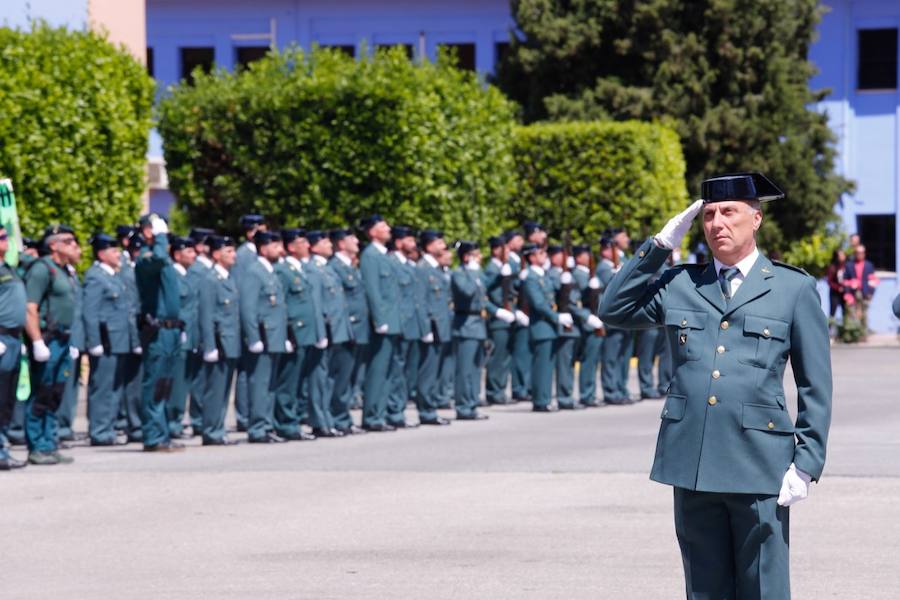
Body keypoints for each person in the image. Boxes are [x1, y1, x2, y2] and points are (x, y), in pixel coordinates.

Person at [599, 172, 832, 599]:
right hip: (693, 460)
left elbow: (815, 384)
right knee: (703, 588)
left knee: (763, 586)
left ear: (756, 219)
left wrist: (807, 461)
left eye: (729, 212)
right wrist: (659, 246)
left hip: (759, 464)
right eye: (708, 215)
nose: (717, 223)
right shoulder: (682, 283)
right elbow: (613, 309)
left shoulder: (792, 288)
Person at [23, 224, 82, 464]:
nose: (74, 245)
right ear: (53, 244)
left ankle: (49, 442)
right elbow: (30, 308)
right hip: (48, 339)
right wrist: (37, 341)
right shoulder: (41, 270)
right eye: (68, 241)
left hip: (64, 339)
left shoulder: (64, 271)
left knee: (55, 393)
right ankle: (37, 445)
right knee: (42, 392)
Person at [134, 214, 185, 452]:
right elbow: (160, 257)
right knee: (154, 382)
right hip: (158, 330)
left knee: (165, 384)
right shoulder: (146, 258)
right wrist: (160, 238)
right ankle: (153, 436)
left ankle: (162, 433)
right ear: (147, 232)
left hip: (171, 330)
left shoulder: (160, 259)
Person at [82, 233, 137, 446]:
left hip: (119, 340)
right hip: (106, 341)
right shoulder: (96, 276)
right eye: (114, 251)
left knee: (115, 387)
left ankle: (109, 427)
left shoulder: (114, 276)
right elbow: (91, 312)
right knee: (102, 387)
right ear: (102, 254)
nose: (118, 255)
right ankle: (99, 430)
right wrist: (94, 341)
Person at [238, 230, 289, 444]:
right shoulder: (254, 271)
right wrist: (253, 337)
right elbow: (248, 308)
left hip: (275, 336)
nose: (280, 249)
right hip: (264, 336)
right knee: (259, 383)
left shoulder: (270, 271)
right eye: (275, 245)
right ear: (263, 248)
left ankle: (267, 425)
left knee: (269, 384)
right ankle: (258, 427)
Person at [272, 229, 322, 442]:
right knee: (288, 382)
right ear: (291, 246)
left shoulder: (300, 269)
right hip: (295, 332)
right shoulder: (283, 271)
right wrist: (286, 333)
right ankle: (285, 423)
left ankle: (295, 420)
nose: (307, 246)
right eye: (302, 242)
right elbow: (281, 304)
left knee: (299, 381)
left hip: (306, 333)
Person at [359, 214, 402, 432]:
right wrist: (379, 319)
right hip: (383, 322)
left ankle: (381, 413)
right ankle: (372, 416)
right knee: (377, 370)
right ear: (373, 231)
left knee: (387, 370)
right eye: (383, 226)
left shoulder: (385, 255)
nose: (388, 228)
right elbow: (373, 290)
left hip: (392, 321)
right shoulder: (370, 256)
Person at [197, 235, 241, 445]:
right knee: (215, 388)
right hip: (219, 341)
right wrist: (210, 345)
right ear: (216, 255)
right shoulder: (210, 279)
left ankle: (218, 427)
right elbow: (207, 314)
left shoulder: (228, 278)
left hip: (230, 341)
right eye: (228, 251)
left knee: (224, 389)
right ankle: (211, 430)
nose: (234, 255)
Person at [307, 229, 351, 437]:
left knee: (328, 377)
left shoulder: (326, 268)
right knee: (319, 377)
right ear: (313, 246)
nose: (328, 245)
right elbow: (316, 304)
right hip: (324, 330)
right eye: (323, 241)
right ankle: (319, 420)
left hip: (334, 329)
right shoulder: (314, 269)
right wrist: (320, 332)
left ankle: (327, 418)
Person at [327, 228, 369, 435]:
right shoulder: (335, 267)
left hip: (358, 328)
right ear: (341, 244)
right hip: (347, 328)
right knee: (341, 377)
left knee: (352, 377)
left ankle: (344, 417)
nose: (357, 241)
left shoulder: (351, 267)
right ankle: (338, 418)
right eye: (352, 239)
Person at [521, 243, 572, 412]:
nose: (545, 256)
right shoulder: (530, 277)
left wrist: (564, 280)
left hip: (548, 327)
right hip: (541, 326)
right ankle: (540, 400)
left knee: (548, 366)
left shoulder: (544, 275)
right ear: (532, 257)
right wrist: (557, 317)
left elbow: (555, 292)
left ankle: (545, 398)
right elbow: (539, 304)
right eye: (541, 253)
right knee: (541, 366)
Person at [386, 225, 426, 428]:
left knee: (405, 371)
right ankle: (394, 412)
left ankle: (398, 409)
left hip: (411, 325)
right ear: (400, 242)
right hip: (400, 325)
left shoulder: (409, 265)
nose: (414, 244)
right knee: (396, 370)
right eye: (410, 240)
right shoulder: (391, 263)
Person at [233, 214, 266, 433]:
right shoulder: (244, 255)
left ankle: (252, 412)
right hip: (247, 317)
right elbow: (242, 288)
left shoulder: (255, 254)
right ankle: (244, 415)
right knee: (246, 369)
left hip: (260, 318)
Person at [416, 229, 453, 425]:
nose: (443, 246)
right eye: (439, 243)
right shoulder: (423, 268)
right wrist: (425, 328)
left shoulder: (436, 269)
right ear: (429, 246)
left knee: (434, 369)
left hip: (440, 325)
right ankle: (426, 410)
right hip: (431, 326)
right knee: (428, 371)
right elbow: (421, 301)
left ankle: (430, 408)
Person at [450, 241, 490, 420]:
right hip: (465, 324)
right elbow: (466, 292)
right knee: (465, 369)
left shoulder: (477, 273)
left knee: (475, 369)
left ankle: (472, 403)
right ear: (467, 257)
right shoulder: (459, 273)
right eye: (476, 254)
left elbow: (483, 296)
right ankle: (463, 406)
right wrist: (473, 273)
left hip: (478, 324)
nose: (480, 257)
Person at [547, 245, 590, 410]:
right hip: (564, 324)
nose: (562, 258)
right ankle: (564, 397)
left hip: (572, 324)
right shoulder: (553, 274)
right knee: (564, 364)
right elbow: (567, 299)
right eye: (559, 255)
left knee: (569, 363)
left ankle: (567, 395)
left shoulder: (565, 274)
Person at [165, 236, 199, 439]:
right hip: (178, 336)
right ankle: (171, 423)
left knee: (183, 383)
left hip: (190, 336)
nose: (194, 255)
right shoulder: (173, 276)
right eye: (189, 252)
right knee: (176, 383)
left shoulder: (187, 275)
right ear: (177, 255)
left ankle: (176, 421)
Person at [182, 228, 215, 435]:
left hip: (206, 330)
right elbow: (191, 304)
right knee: (197, 378)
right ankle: (197, 418)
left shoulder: (207, 269)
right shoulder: (197, 271)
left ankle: (203, 417)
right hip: (196, 331)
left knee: (205, 377)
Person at [0, 223, 28, 470]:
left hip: (13, 339)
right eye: (0, 238)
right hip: (1, 338)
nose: (5, 241)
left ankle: (2, 446)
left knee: (7, 398)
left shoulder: (8, 267)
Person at [597, 237, 633, 405]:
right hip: (613, 319)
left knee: (622, 358)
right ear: (604, 251)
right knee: (611, 358)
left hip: (624, 317)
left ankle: (620, 388)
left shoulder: (615, 266)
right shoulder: (604, 268)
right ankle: (611, 391)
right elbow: (612, 290)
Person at [482, 234, 517, 405]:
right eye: (506, 249)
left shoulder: (506, 266)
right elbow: (484, 287)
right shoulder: (491, 269)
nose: (508, 252)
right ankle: (494, 391)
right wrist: (497, 277)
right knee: (497, 357)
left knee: (505, 357)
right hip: (497, 317)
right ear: (496, 251)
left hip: (508, 315)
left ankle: (500, 390)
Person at [570, 244, 605, 407]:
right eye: (585, 255)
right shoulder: (578, 274)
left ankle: (590, 393)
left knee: (593, 360)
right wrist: (588, 318)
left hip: (596, 320)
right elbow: (575, 301)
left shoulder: (588, 274)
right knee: (588, 360)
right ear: (578, 257)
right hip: (588, 323)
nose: (588, 258)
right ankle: (586, 394)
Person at [504, 229, 531, 402]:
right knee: (518, 354)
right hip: (514, 311)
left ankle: (524, 386)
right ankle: (518, 388)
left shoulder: (519, 261)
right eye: (518, 238)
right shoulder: (508, 261)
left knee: (524, 353)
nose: (521, 242)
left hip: (522, 310)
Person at [843, 244, 878, 336]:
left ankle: (864, 333)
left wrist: (870, 293)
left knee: (865, 313)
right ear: (855, 253)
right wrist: (847, 293)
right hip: (852, 293)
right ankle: (854, 333)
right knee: (852, 313)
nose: (860, 254)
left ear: (864, 254)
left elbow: (873, 280)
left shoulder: (869, 265)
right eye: (858, 253)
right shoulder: (849, 265)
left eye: (861, 253)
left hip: (865, 293)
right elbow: (845, 280)